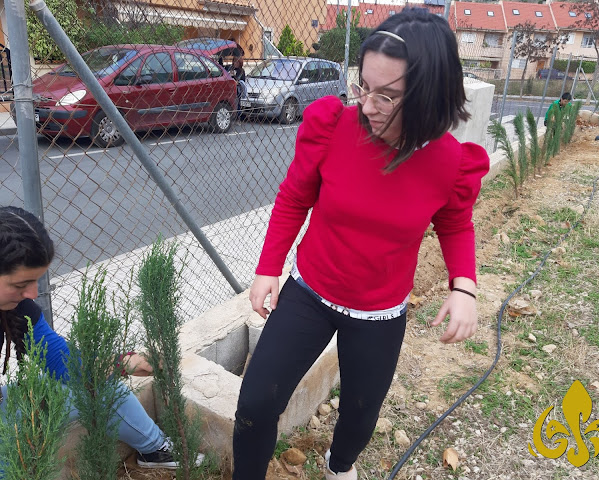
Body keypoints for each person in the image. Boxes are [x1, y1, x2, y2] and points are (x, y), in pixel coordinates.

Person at [232, 8, 489, 480]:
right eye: (362, 86)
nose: (367, 106)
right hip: (310, 292)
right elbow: (295, 196)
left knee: (359, 418)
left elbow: (455, 224)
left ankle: (339, 466)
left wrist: (464, 287)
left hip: (379, 313)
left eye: (386, 96)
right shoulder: (333, 126)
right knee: (255, 404)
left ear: (429, 96)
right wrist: (268, 267)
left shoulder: (450, 163)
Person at [0, 205, 204, 471]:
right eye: (19, 285)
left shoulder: (17, 309)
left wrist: (123, 362)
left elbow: (65, 364)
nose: (32, 294)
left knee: (100, 386)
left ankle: (155, 450)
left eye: (35, 282)